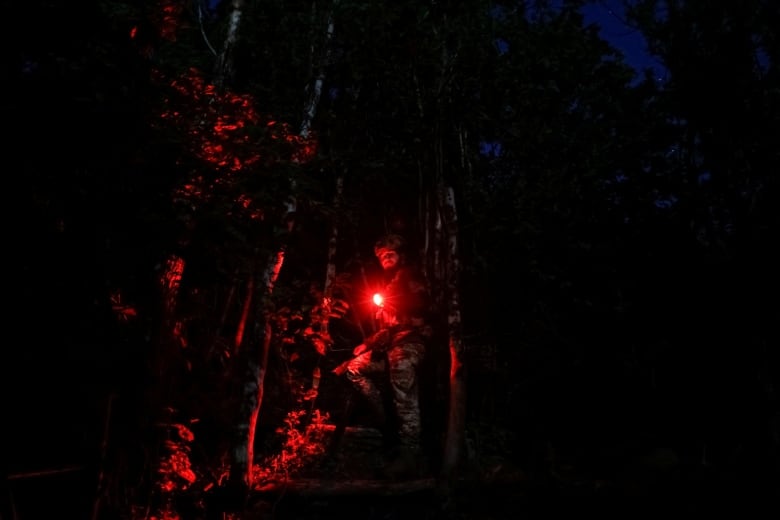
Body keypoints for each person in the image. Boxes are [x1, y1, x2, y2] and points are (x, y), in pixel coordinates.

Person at [338, 233, 432, 479]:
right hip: (390, 345)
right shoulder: (387, 284)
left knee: (401, 370)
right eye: (382, 256)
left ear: (400, 255)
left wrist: (399, 312)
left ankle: (411, 452)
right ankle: (389, 425)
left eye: (390, 254)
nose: (386, 259)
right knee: (353, 368)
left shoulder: (411, 276)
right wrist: (367, 343)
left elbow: (423, 311)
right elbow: (386, 328)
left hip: (412, 342)